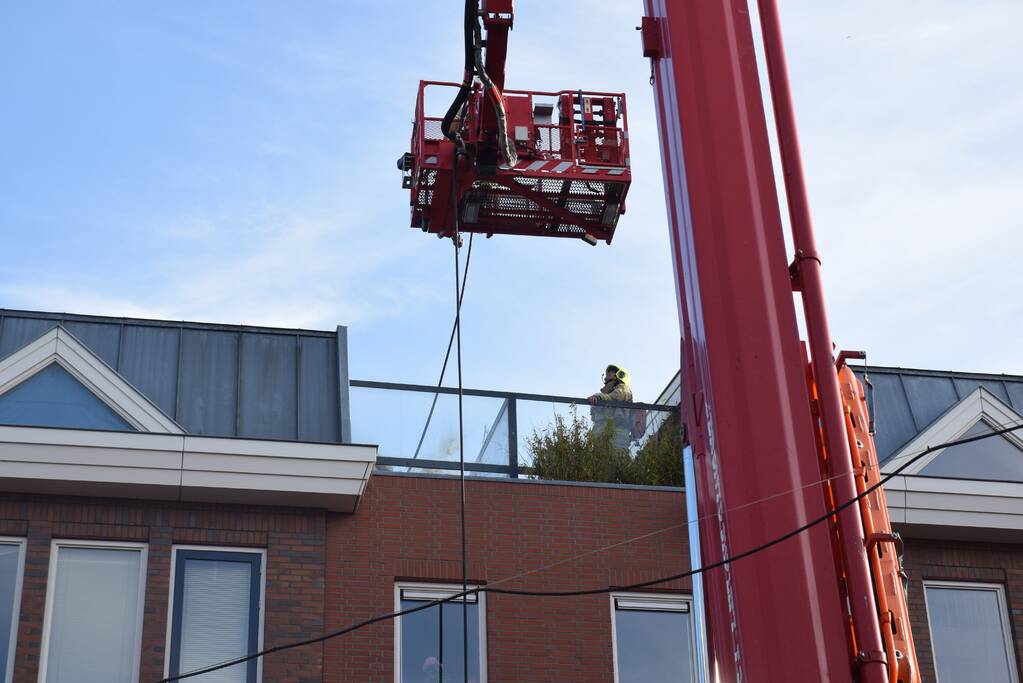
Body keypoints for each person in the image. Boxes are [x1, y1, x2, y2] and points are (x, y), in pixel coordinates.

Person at [588, 364, 634, 451]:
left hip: (617, 435)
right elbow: (594, 417)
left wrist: (598, 397)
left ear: (619, 377)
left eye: (609, 375)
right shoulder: (605, 395)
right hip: (601, 435)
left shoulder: (624, 389)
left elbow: (614, 397)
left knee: (617, 460)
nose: (605, 378)